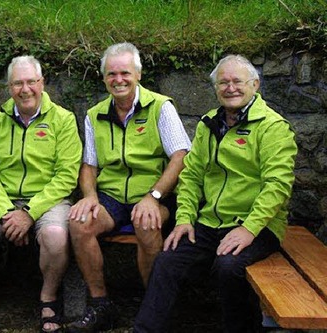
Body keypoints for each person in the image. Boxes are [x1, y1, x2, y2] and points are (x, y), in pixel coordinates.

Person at [133, 54, 298, 333]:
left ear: (255, 85)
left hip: (258, 225)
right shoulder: (209, 123)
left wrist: (249, 228)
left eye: (237, 81)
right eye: (223, 82)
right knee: (167, 259)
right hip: (209, 222)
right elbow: (191, 176)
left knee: (228, 267)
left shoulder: (273, 127)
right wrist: (185, 219)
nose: (230, 87)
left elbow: (278, 186)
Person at [66, 42, 191, 332]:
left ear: (138, 74)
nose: (118, 80)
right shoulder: (95, 114)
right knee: (79, 222)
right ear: (104, 78)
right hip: (111, 197)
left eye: (124, 73)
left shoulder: (161, 107)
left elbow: (180, 157)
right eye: (111, 74)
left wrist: (154, 196)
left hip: (154, 194)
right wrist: (89, 197)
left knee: (146, 222)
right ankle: (101, 306)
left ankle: (154, 308)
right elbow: (89, 165)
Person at [0, 55, 82, 333]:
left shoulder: (63, 120)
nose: (25, 89)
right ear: (9, 87)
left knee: (56, 235)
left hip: (48, 201)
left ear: (42, 83)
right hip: (1, 200)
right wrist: (6, 212)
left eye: (31, 82)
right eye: (18, 83)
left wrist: (29, 213)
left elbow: (66, 176)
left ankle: (48, 298)